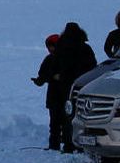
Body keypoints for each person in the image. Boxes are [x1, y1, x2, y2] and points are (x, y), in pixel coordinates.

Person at [47, 22, 98, 153]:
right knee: (79, 115)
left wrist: (56, 75)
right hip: (79, 86)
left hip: (64, 86)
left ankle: (68, 144)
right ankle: (76, 144)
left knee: (66, 116)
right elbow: (93, 66)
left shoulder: (61, 47)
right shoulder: (85, 48)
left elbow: (54, 66)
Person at [31, 33, 61, 148]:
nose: (50, 48)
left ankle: (65, 145)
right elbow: (42, 75)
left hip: (62, 95)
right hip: (53, 96)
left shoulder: (65, 59)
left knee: (62, 123)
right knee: (54, 123)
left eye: (52, 46)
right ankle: (54, 145)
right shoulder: (49, 59)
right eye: (49, 46)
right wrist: (39, 81)